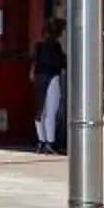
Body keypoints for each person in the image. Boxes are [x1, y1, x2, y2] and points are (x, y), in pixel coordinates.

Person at [31, 18, 68, 152]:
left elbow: (35, 63)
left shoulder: (39, 46)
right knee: (51, 110)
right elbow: (61, 63)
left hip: (40, 77)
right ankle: (50, 143)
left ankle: (41, 140)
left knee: (41, 110)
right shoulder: (55, 46)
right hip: (52, 77)